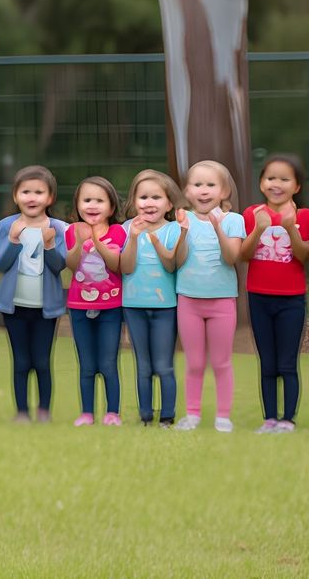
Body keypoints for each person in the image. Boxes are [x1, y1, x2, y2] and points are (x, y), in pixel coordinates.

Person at [239, 154, 309, 433]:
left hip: (292, 299)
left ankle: (287, 420)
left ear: (296, 186)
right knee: (267, 362)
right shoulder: (252, 214)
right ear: (261, 183)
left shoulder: (305, 216)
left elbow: (304, 256)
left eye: (284, 179)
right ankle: (269, 418)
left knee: (287, 362)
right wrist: (258, 229)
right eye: (271, 178)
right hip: (258, 297)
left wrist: (290, 229)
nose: (276, 184)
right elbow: (244, 256)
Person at [172, 161, 245, 433]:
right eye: (197, 184)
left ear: (224, 191)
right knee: (195, 362)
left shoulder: (234, 220)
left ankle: (223, 416)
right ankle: (192, 414)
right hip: (188, 301)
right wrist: (181, 230)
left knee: (221, 361)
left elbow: (232, 257)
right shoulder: (181, 220)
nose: (204, 191)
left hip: (222, 302)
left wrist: (217, 227)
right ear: (187, 191)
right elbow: (177, 261)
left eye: (211, 185)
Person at [0, 165, 69, 424]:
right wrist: (13, 241)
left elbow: (59, 265)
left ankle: (44, 411)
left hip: (46, 307)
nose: (32, 197)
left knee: (42, 360)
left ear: (50, 197)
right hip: (14, 307)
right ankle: (22, 412)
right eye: (25, 191)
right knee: (21, 360)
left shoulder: (59, 228)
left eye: (38, 192)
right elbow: (0, 263)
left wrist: (49, 245)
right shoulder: (5, 226)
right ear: (16, 196)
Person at [118, 169, 185, 427]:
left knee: (163, 365)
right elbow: (126, 267)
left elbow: (171, 266)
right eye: (143, 197)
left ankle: (167, 416)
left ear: (169, 203)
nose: (149, 203)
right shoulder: (125, 229)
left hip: (165, 307)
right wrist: (133, 238)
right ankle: (146, 415)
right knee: (143, 365)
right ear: (134, 201)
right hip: (133, 306)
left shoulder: (174, 230)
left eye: (156, 197)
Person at [63, 176, 127, 427]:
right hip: (79, 306)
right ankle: (87, 413)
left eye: (99, 201)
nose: (92, 205)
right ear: (78, 205)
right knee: (87, 364)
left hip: (111, 306)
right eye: (87, 200)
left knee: (108, 362)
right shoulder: (71, 231)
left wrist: (97, 241)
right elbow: (70, 265)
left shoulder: (118, 232)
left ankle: (113, 412)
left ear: (111, 207)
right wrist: (80, 241)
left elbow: (116, 265)